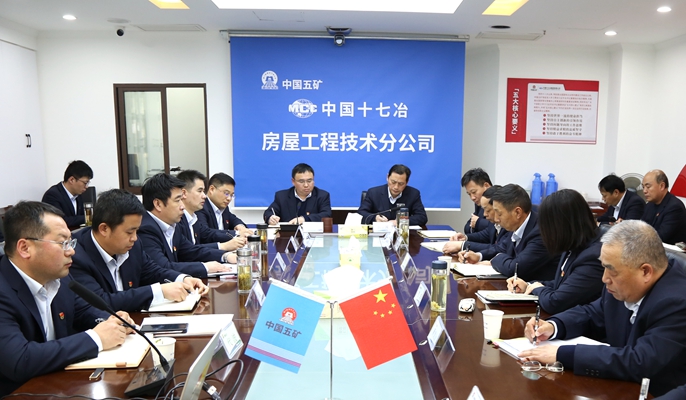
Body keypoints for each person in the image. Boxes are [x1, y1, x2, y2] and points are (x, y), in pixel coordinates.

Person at [519, 220, 686, 397]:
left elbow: (639, 361)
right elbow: (593, 314)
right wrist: (554, 326)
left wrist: (564, 355)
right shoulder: (625, 284)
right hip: (617, 387)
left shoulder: (677, 302)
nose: (604, 278)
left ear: (645, 271)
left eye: (611, 270)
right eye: (604, 267)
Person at [0, 201, 133, 395]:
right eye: (62, 243)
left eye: (71, 242)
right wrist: (97, 338)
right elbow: (20, 360)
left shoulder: (59, 279)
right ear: (25, 248)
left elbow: (83, 311)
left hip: (58, 385)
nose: (71, 251)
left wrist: (113, 322)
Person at [70, 189, 208, 312]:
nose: (135, 238)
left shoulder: (133, 245)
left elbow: (152, 272)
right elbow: (100, 302)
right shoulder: (75, 256)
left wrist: (183, 279)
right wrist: (158, 291)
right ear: (104, 229)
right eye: (129, 232)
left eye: (136, 230)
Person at [506, 189, 604, 314]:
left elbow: (556, 302)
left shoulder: (593, 257)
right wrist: (529, 285)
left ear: (562, 225)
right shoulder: (574, 244)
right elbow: (562, 285)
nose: (545, 233)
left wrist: (537, 289)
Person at [137, 173, 235, 278]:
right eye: (177, 200)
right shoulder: (145, 229)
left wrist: (225, 256)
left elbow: (191, 251)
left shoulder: (173, 226)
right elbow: (162, 268)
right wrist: (205, 267)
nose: (182, 206)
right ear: (158, 204)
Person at [459, 184, 560, 281]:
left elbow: (515, 268)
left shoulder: (541, 232)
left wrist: (495, 260)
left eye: (499, 214)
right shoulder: (516, 224)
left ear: (517, 212)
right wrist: (478, 256)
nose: (496, 219)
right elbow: (500, 248)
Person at [176, 170, 246, 251]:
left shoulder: (193, 217)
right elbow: (204, 237)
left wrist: (240, 228)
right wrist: (225, 246)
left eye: (231, 195)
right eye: (200, 191)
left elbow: (232, 218)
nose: (204, 196)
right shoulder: (180, 219)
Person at [357, 164, 428, 226]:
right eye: (393, 182)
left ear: (407, 182)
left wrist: (399, 221)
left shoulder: (413, 194)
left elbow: (422, 217)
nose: (396, 187)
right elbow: (361, 213)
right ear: (387, 177)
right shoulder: (373, 193)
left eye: (401, 184)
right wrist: (375, 218)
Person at [443, 185, 505, 255]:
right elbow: (485, 234)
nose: (484, 214)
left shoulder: (508, 226)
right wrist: (465, 238)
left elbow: (498, 248)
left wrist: (463, 245)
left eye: (488, 210)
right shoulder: (494, 222)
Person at [264, 163, 332, 224]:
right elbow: (268, 213)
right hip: (288, 233)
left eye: (309, 181)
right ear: (293, 181)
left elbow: (326, 215)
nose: (306, 185)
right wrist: (270, 218)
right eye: (301, 181)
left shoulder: (322, 195)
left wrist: (304, 219)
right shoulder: (282, 196)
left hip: (313, 233)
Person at [196, 173, 252, 237]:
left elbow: (233, 219)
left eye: (232, 195)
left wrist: (240, 226)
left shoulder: (223, 207)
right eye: (226, 193)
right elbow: (205, 233)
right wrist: (236, 233)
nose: (229, 198)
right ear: (212, 189)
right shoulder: (201, 207)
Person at [41, 160, 93, 227]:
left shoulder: (78, 194)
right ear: (72, 180)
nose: (86, 187)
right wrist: (89, 217)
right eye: (85, 183)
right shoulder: (52, 195)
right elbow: (60, 221)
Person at [640, 169, 686, 245]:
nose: (644, 191)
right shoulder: (649, 205)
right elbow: (640, 228)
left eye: (648, 187)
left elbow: (660, 237)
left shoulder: (675, 207)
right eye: (643, 187)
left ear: (662, 186)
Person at [460, 168, 493, 234]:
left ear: (486, 186)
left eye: (474, 192)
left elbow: (497, 226)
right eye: (469, 194)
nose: (472, 198)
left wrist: (478, 222)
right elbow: (467, 227)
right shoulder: (479, 203)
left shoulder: (499, 201)